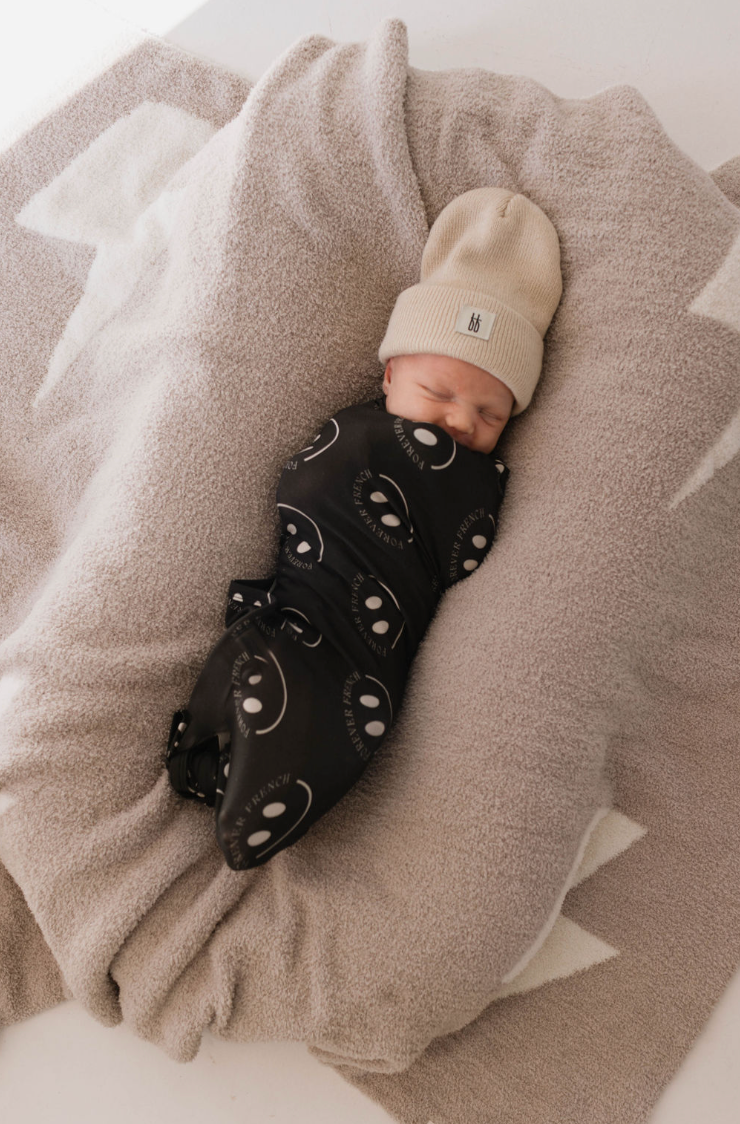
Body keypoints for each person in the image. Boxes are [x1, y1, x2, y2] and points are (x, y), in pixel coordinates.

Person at [165, 186, 563, 870]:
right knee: (292, 665)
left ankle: (256, 773)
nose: (458, 423)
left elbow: (463, 553)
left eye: (490, 414)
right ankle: (243, 743)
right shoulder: (361, 436)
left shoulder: (476, 478)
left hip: (375, 647)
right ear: (388, 376)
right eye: (437, 394)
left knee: (338, 712)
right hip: (318, 591)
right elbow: (310, 481)